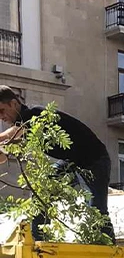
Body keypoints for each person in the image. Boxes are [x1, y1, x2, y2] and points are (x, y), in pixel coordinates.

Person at [0, 87, 114, 240]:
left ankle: (107, 248)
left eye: (1, 110)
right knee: (41, 192)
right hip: (71, 163)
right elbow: (3, 156)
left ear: (14, 103)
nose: (1, 117)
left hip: (94, 160)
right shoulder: (25, 131)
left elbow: (6, 137)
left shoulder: (34, 115)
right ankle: (39, 240)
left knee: (97, 212)